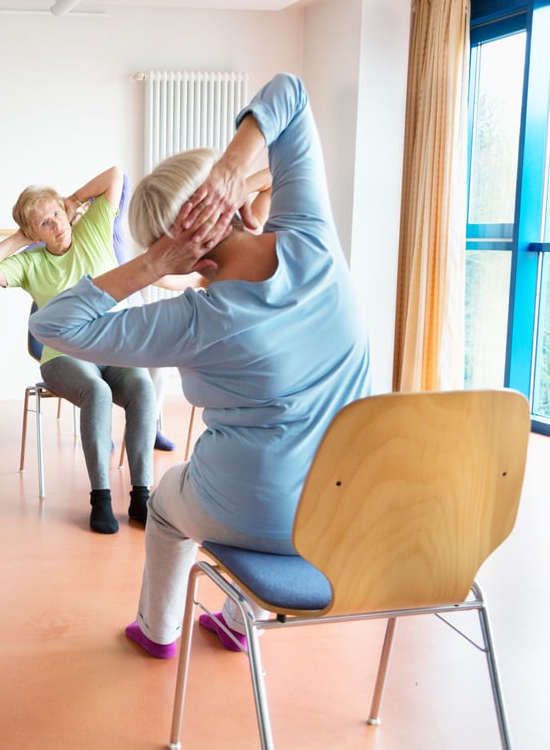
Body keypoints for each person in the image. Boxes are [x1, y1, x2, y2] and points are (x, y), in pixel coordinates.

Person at [28, 73, 372, 658]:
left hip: (257, 508)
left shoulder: (194, 320)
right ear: (233, 199)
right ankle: (240, 621)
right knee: (276, 472)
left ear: (176, 250)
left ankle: (158, 633)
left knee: (165, 503)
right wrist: (235, 164)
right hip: (348, 503)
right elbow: (290, 91)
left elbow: (53, 326)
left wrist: (151, 265)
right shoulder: (313, 240)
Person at [0, 166, 157, 535]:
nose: (55, 225)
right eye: (43, 224)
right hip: (63, 358)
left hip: (112, 350)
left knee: (143, 389)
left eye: (55, 214)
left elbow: (114, 175)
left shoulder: (94, 229)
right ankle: (100, 497)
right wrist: (19, 240)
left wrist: (72, 201)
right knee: (97, 392)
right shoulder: (30, 262)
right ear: (32, 233)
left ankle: (141, 496)